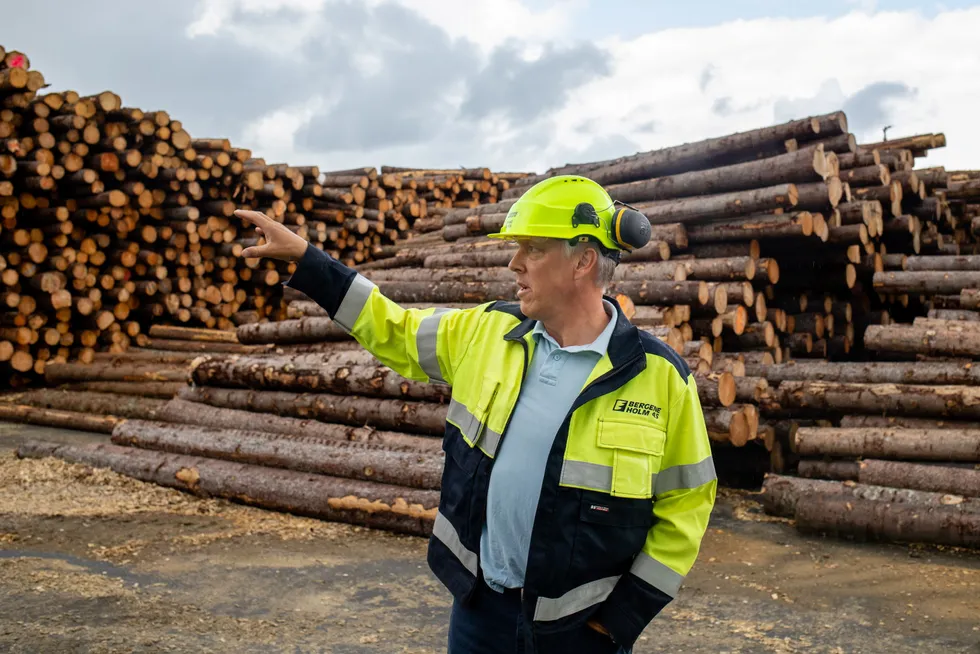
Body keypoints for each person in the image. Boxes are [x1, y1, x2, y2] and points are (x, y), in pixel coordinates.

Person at [234, 175, 716, 654]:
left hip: (582, 631)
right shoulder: (487, 334)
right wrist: (308, 261)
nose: (515, 263)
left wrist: (621, 618)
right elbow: (394, 329)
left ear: (583, 261)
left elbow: (688, 504)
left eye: (532, 249)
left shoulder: (658, 376)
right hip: (481, 612)